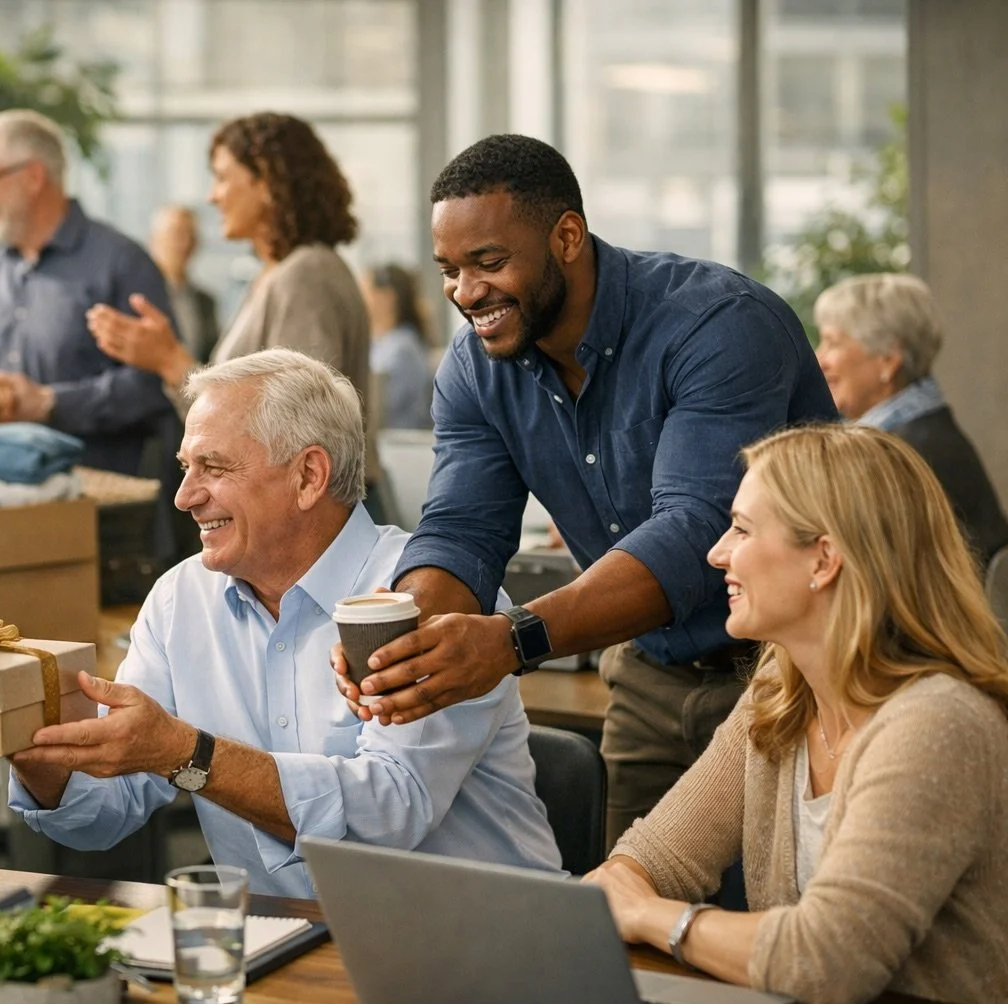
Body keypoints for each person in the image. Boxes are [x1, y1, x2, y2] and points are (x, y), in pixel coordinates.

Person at [341, 135, 838, 848]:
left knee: (784, 928)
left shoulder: (717, 324)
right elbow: (460, 530)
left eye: (489, 262)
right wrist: (401, 638)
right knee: (627, 920)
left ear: (566, 236)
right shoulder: (476, 368)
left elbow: (696, 529)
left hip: (793, 670)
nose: (464, 292)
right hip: (650, 675)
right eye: (448, 270)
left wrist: (515, 640)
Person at [8, 350, 561, 898]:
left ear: (309, 476)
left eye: (214, 468)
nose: (184, 497)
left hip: (475, 946)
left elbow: (391, 813)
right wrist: (32, 745)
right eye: (185, 468)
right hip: (284, 947)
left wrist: (186, 752)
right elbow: (104, 815)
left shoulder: (434, 594)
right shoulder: (180, 599)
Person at [586, 424, 1008, 1004]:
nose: (717, 553)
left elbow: (831, 960)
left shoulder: (939, 724)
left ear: (824, 560)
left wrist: (647, 914)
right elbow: (655, 858)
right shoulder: (781, 690)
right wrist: (619, 889)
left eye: (742, 528)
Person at [85, 113, 377, 484]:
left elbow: (296, 424)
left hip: (317, 518)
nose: (213, 195)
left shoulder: (305, 275)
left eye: (222, 177)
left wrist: (171, 361)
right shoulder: (278, 274)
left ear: (267, 180)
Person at [0, 109, 174, 476]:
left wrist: (48, 403)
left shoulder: (121, 263)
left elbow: (156, 385)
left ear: (33, 177)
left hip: (101, 510)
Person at [813, 272, 1008, 566]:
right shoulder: (923, 432)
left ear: (888, 360)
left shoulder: (899, 452)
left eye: (833, 343)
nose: (820, 359)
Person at [362, 263, 434, 430]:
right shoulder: (379, 343)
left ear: (386, 297)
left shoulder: (402, 349)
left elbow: (379, 408)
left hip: (398, 446)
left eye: (365, 290)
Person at [149, 204, 220, 364]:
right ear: (153, 240)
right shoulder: (138, 298)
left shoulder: (206, 302)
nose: (185, 243)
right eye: (177, 234)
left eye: (191, 235)